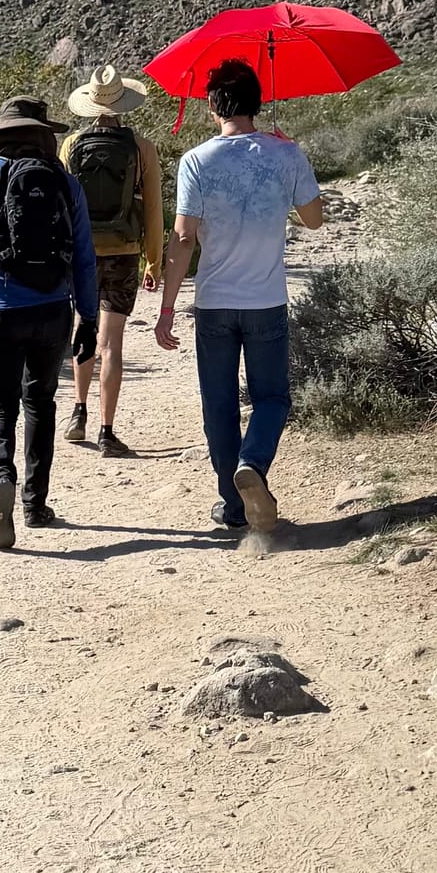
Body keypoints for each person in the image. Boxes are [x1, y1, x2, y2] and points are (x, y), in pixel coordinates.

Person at [154, 57, 324, 534]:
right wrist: (289, 156)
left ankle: (232, 506)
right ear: (258, 103)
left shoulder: (196, 160)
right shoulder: (286, 153)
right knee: (272, 398)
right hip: (266, 299)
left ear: (213, 107)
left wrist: (167, 308)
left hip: (214, 302)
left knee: (219, 404)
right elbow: (314, 220)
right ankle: (253, 463)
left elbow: (183, 238)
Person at [0, 96, 100, 550]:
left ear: (1, 136)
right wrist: (89, 319)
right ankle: (35, 504)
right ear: (43, 135)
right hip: (53, 312)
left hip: (0, 312)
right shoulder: (66, 183)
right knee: (41, 405)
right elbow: (84, 257)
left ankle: (1, 477)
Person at [59, 65, 164, 455]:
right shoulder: (141, 147)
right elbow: (153, 210)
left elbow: (63, 204)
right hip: (124, 250)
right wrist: (153, 261)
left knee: (83, 329)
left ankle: (78, 411)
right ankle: (107, 431)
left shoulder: (71, 145)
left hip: (82, 253)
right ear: (123, 104)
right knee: (111, 343)